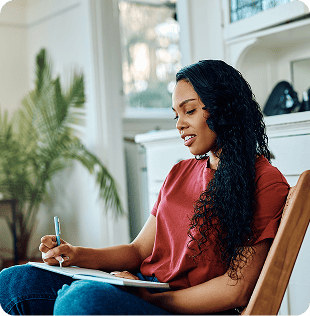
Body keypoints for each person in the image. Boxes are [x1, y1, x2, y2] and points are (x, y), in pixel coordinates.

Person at [0, 60, 289, 316]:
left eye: (189, 110)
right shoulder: (179, 172)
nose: (180, 124)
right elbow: (138, 250)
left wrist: (151, 300)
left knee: (80, 302)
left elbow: (235, 289)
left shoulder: (264, 181)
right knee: (15, 280)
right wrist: (75, 253)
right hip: (143, 287)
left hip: (184, 307)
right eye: (176, 115)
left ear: (225, 109)